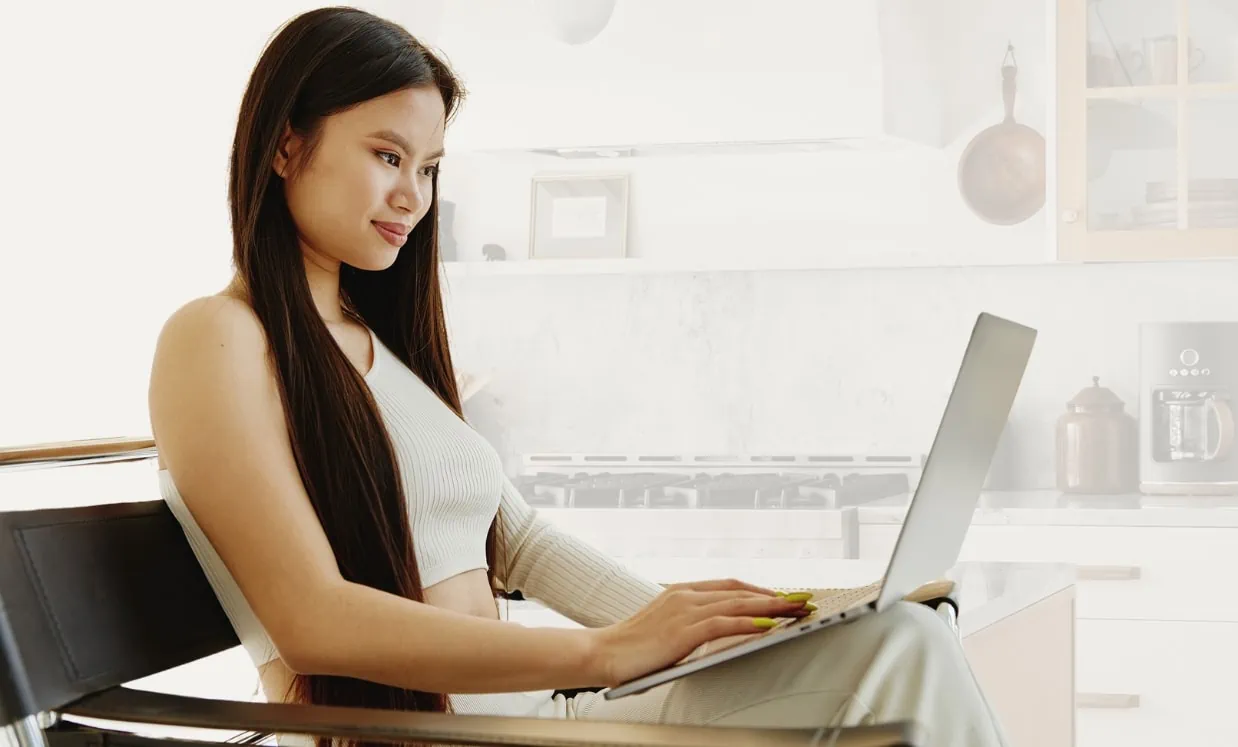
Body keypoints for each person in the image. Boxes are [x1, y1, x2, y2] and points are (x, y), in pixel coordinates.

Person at [146, 7, 1010, 746]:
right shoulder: (217, 339)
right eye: (387, 155)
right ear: (287, 144)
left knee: (899, 634)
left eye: (430, 168)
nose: (413, 193)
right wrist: (607, 653)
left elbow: (517, 542)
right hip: (443, 729)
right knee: (906, 656)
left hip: (528, 710)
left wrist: (698, 633)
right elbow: (311, 619)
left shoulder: (371, 342)